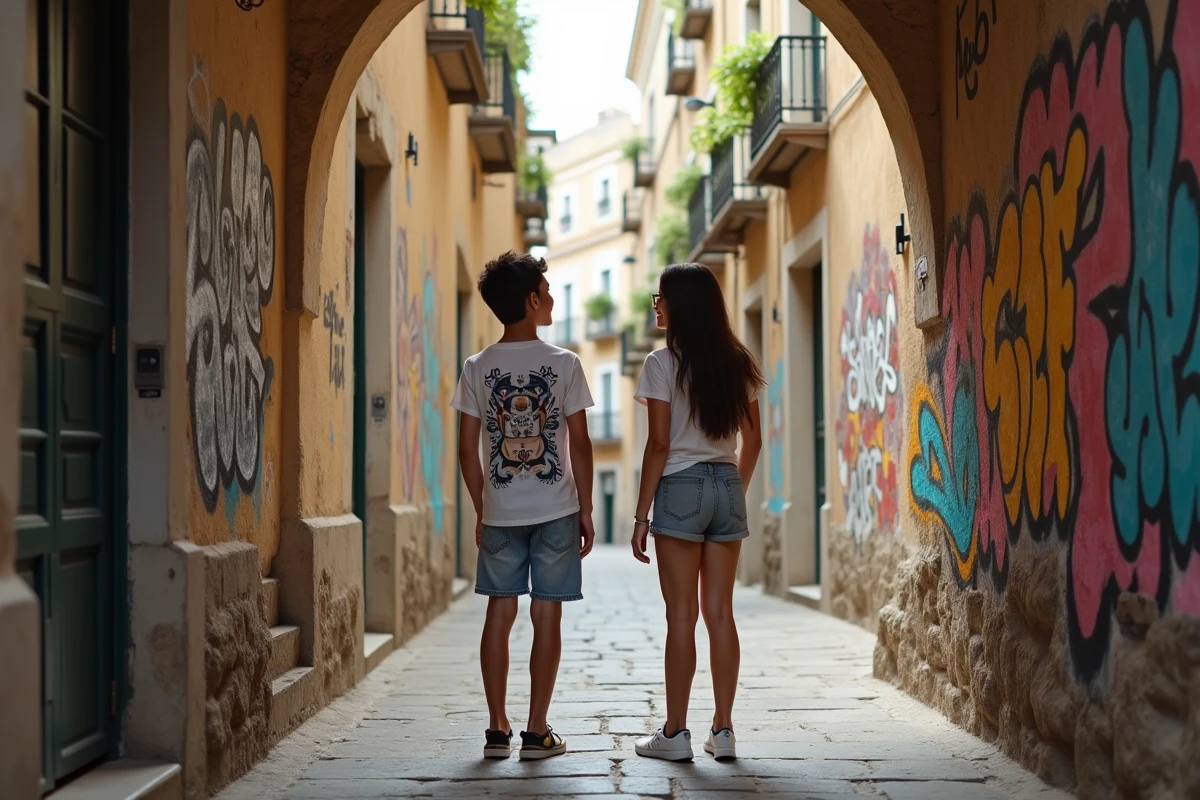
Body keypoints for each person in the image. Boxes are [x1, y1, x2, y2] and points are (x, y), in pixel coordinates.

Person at [451, 251, 596, 761]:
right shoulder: (565, 364)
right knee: (547, 614)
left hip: (501, 512)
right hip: (557, 508)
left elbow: (467, 450)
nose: (553, 297)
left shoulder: (477, 367)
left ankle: (496, 730)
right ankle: (537, 733)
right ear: (533, 301)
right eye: (549, 290)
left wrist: (482, 505)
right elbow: (579, 442)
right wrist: (586, 506)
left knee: (499, 609)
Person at [630, 262, 765, 762]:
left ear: (680, 305)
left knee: (681, 616)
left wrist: (642, 515)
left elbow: (659, 444)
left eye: (660, 297)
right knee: (720, 613)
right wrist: (734, 488)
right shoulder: (737, 361)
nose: (657, 305)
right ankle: (724, 731)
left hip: (680, 489)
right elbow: (752, 440)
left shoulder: (661, 364)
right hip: (727, 483)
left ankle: (674, 734)